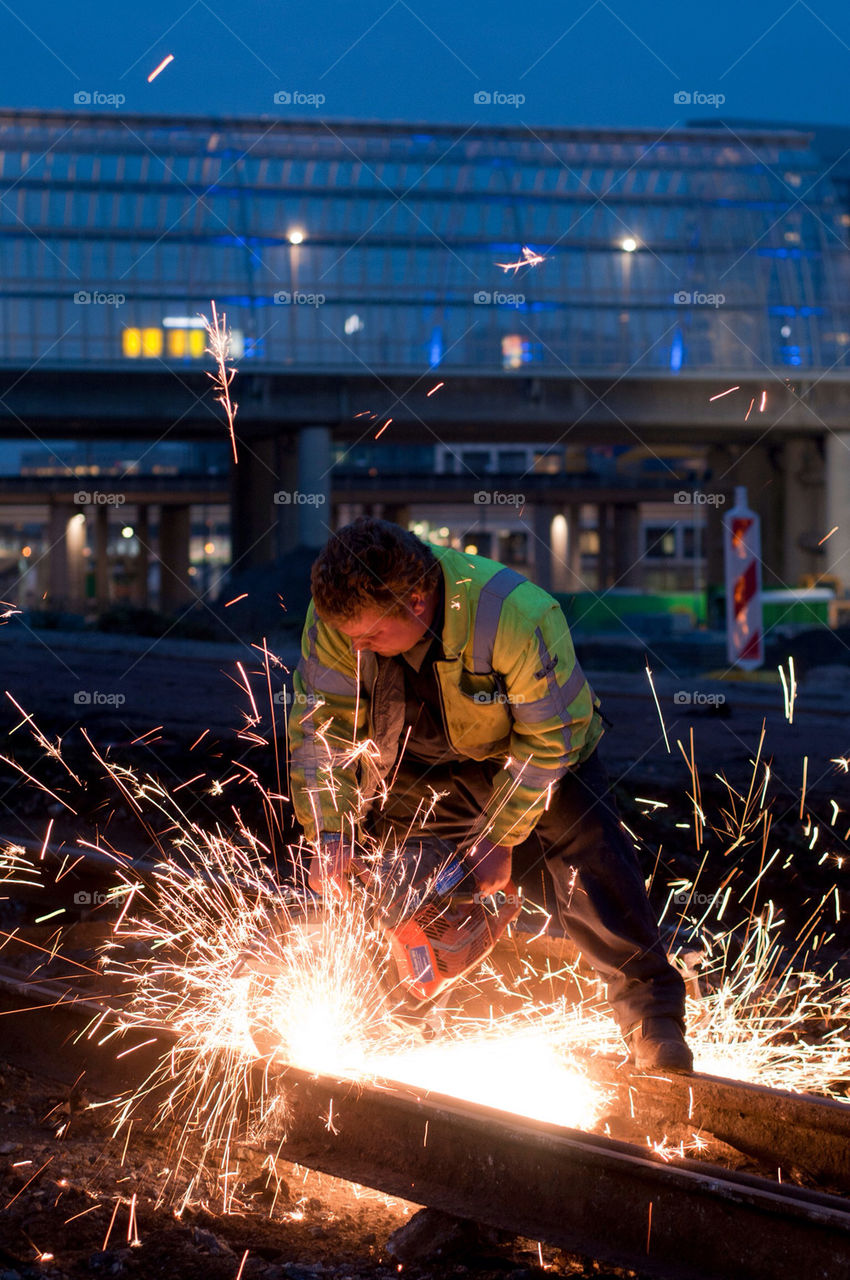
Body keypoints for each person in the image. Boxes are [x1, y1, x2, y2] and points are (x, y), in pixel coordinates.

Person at [288, 517, 692, 1072]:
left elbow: (552, 738)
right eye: (351, 637)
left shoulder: (514, 614)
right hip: (414, 761)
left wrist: (500, 834)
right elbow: (318, 727)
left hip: (537, 755)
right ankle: (401, 1020)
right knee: (403, 885)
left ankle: (654, 1021)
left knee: (589, 860)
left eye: (371, 637)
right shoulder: (339, 617)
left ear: (417, 599)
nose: (357, 646)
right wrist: (329, 832)